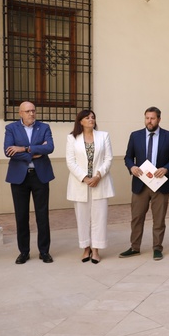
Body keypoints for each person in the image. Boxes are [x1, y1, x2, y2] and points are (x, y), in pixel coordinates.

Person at [120, 107, 169, 260]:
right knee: (137, 217)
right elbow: (128, 157)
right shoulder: (135, 136)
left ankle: (157, 248)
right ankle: (134, 247)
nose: (149, 121)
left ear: (159, 119)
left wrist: (166, 169)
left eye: (152, 118)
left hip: (160, 184)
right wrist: (131, 167)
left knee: (159, 219)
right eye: (147, 118)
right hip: (140, 183)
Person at [4, 101, 55, 264]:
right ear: (20, 113)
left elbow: (50, 148)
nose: (31, 114)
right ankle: (24, 252)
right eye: (27, 111)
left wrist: (24, 149)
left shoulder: (44, 127)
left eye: (33, 111)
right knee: (21, 215)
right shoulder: (11, 128)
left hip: (40, 176)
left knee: (42, 215)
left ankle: (44, 251)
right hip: (19, 177)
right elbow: (8, 151)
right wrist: (35, 151)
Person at [65, 110, 115, 264]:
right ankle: (85, 248)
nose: (91, 119)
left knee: (99, 218)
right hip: (80, 184)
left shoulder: (103, 136)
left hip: (100, 182)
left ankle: (96, 250)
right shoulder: (72, 138)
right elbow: (70, 161)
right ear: (80, 121)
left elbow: (108, 158)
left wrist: (98, 175)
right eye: (87, 117)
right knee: (82, 218)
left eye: (93, 117)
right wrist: (85, 178)